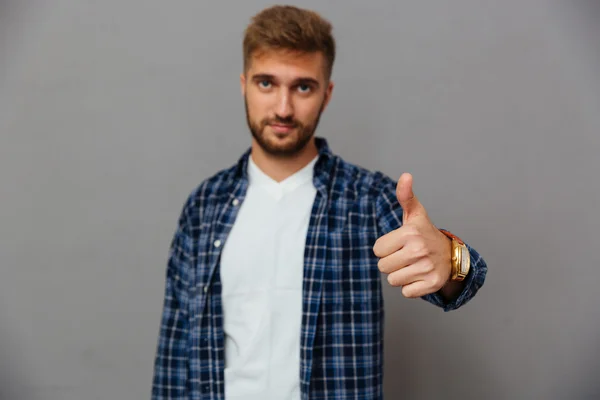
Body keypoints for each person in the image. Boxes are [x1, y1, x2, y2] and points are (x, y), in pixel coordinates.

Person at [151, 5, 487, 400]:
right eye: (266, 84)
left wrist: (449, 257)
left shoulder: (366, 198)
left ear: (326, 94)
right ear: (243, 84)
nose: (283, 108)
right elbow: (174, 357)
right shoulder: (204, 206)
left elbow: (468, 278)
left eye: (303, 87)